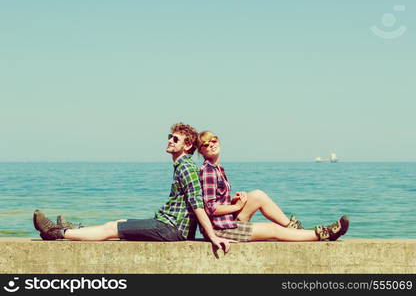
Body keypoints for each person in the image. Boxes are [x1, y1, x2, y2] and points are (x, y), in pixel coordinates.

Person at [33, 123, 233, 252]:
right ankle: (74, 230)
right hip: (167, 224)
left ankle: (56, 233)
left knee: (113, 229)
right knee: (119, 221)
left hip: (172, 229)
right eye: (169, 136)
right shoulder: (181, 165)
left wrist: (213, 236)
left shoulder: (187, 167)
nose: (169, 141)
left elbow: (198, 204)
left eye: (175, 139)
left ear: (187, 146)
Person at [197, 131, 349, 242]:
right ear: (201, 151)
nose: (211, 145)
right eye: (205, 144)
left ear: (219, 141)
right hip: (220, 229)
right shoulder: (208, 171)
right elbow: (211, 208)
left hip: (225, 221)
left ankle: (294, 229)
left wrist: (233, 201)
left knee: (257, 195)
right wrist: (238, 207)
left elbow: (215, 201)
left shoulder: (217, 168)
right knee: (273, 229)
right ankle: (324, 234)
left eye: (213, 140)